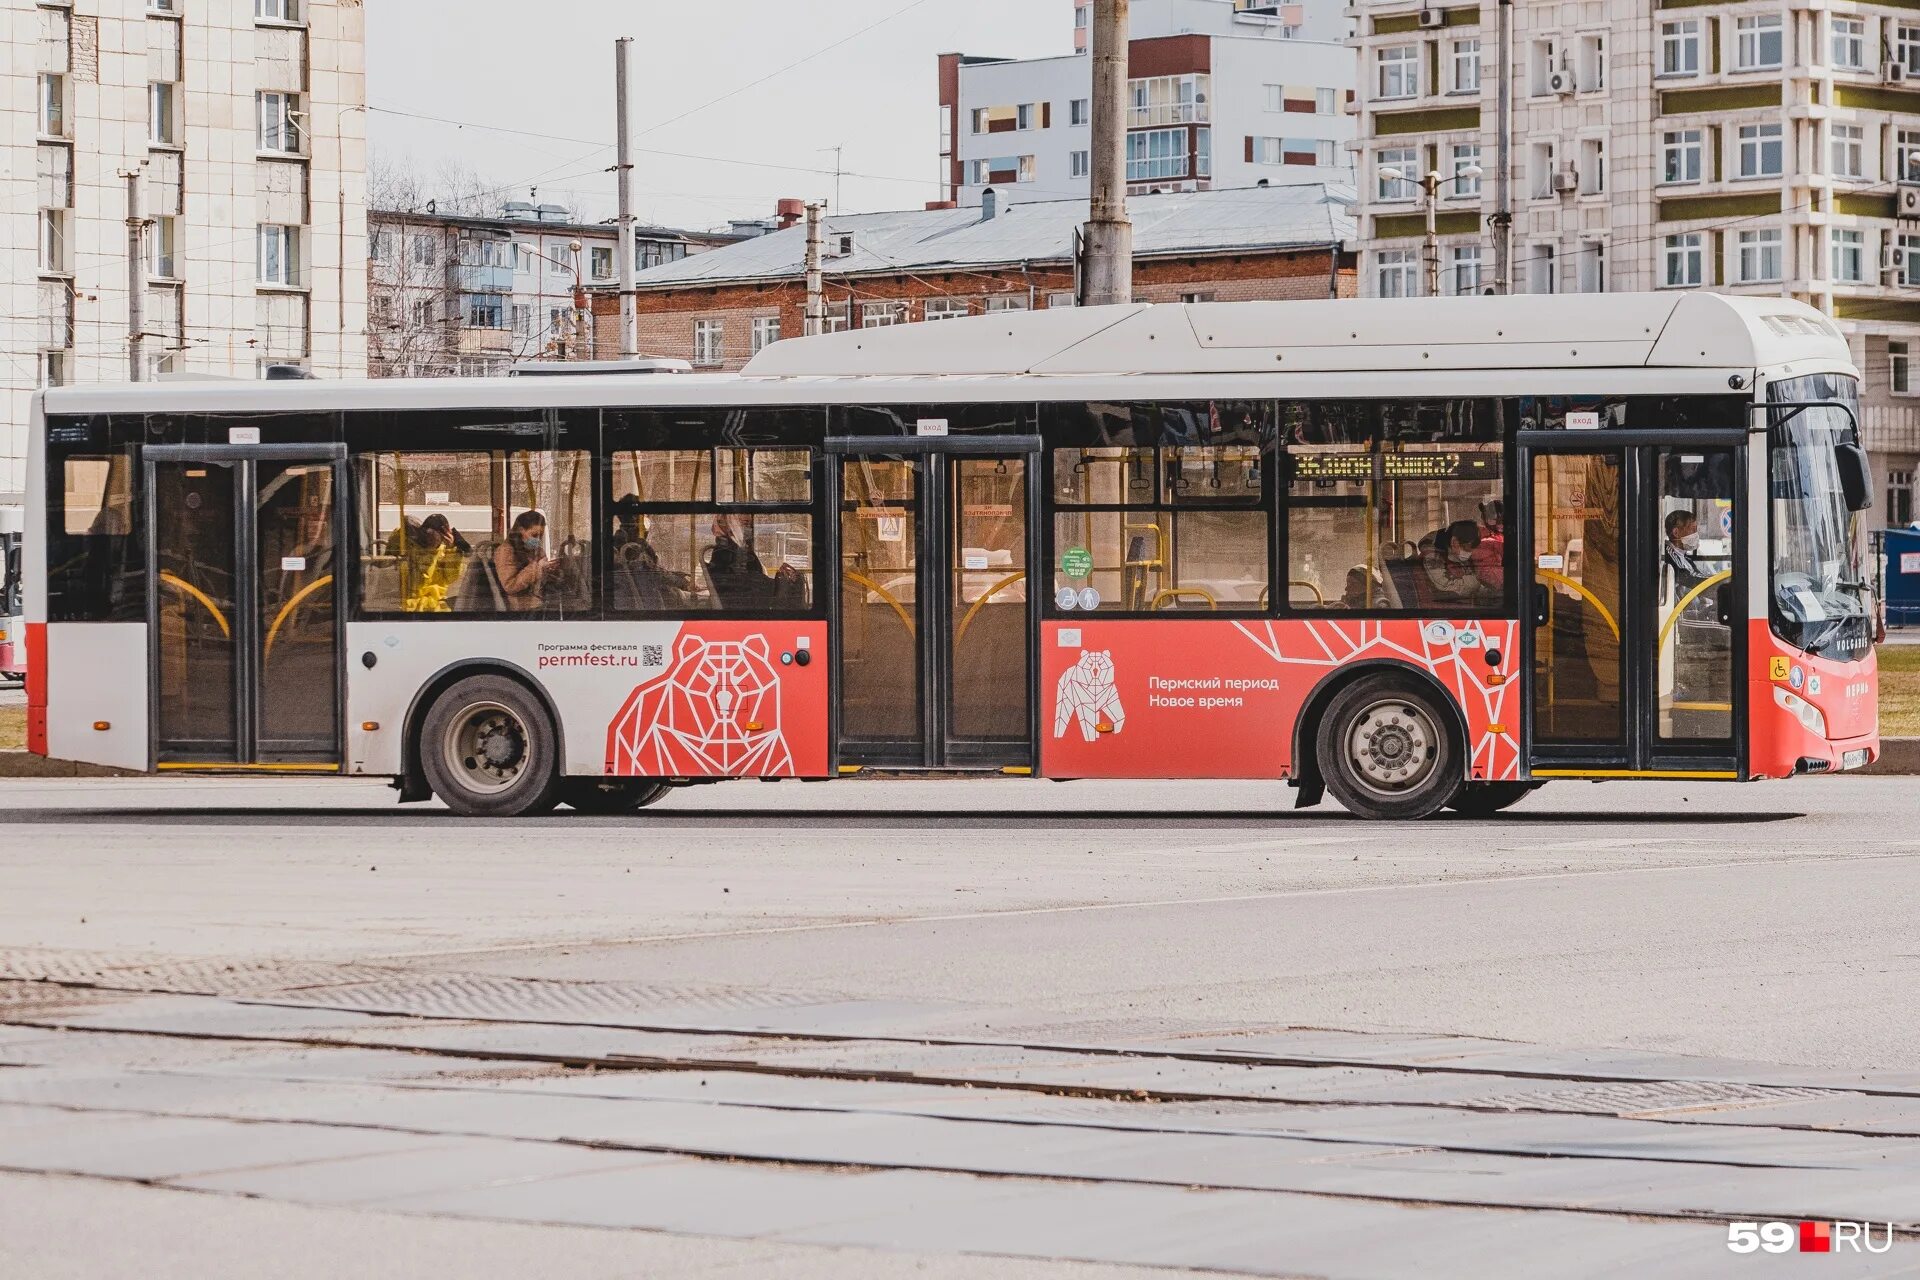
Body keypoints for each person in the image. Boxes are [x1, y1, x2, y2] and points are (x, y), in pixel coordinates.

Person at [493, 509, 562, 611]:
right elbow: (510, 586)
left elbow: (541, 582)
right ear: (521, 530)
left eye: (540, 536)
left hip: (539, 603)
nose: (537, 540)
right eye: (534, 535)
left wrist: (550, 570)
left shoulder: (537, 551)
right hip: (520, 608)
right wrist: (537, 567)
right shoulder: (506, 551)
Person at [1426, 519, 1496, 605]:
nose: (1470, 553)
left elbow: (1473, 577)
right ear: (1454, 542)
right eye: (1468, 548)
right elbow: (1445, 585)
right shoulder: (1433, 556)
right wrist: (1476, 582)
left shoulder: (1457, 554)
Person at [1663, 510, 1707, 588]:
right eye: (1693, 529)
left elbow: (1699, 576)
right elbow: (1690, 580)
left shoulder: (1686, 558)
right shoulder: (1668, 555)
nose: (1696, 534)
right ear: (1676, 532)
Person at [1472, 499, 1506, 593]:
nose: (1499, 524)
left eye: (1503, 520)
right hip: (1496, 588)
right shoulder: (1482, 539)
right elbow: (1486, 571)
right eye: (1494, 520)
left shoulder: (1506, 536)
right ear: (1485, 519)